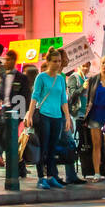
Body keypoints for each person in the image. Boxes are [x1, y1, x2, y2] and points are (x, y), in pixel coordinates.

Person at [27, 56, 74, 190]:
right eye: (54, 61)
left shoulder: (60, 79)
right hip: (43, 116)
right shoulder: (41, 77)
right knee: (43, 148)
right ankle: (41, 178)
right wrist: (29, 115)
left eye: (59, 61)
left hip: (57, 117)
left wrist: (67, 117)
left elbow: (63, 99)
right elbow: (34, 97)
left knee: (53, 149)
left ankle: (51, 177)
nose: (58, 63)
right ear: (48, 62)